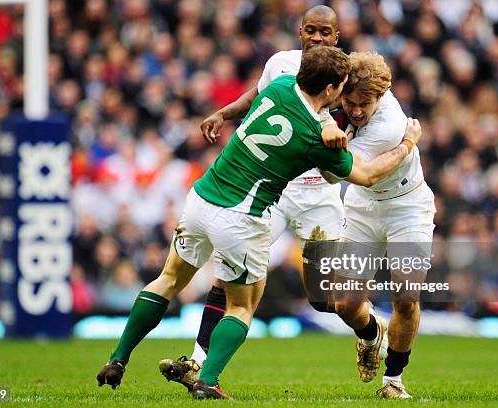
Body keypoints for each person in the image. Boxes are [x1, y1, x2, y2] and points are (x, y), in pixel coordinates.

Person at [96, 46, 422, 400]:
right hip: (241, 215)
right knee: (241, 305)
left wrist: (223, 113)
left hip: (202, 197)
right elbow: (365, 173)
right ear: (329, 91)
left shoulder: (279, 85)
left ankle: (118, 358)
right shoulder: (317, 136)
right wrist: (408, 142)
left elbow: (262, 97)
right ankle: (207, 378)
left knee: (169, 279)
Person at [158, 5, 387, 390]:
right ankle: (198, 363)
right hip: (273, 192)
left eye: (324, 33)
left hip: (319, 195)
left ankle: (371, 329)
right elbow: (258, 95)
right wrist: (224, 113)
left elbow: (372, 109)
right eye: (310, 31)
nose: (316, 38)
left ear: (336, 38)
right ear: (300, 33)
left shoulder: (347, 78)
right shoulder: (281, 64)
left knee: (323, 298)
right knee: (230, 276)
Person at [330, 52, 436, 399]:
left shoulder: (389, 126)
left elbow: (353, 172)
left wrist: (406, 144)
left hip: (407, 206)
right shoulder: (335, 97)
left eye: (365, 103)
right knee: (344, 304)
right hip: (363, 208)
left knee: (405, 297)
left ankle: (393, 380)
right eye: (350, 102)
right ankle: (372, 332)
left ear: (381, 96)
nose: (357, 110)